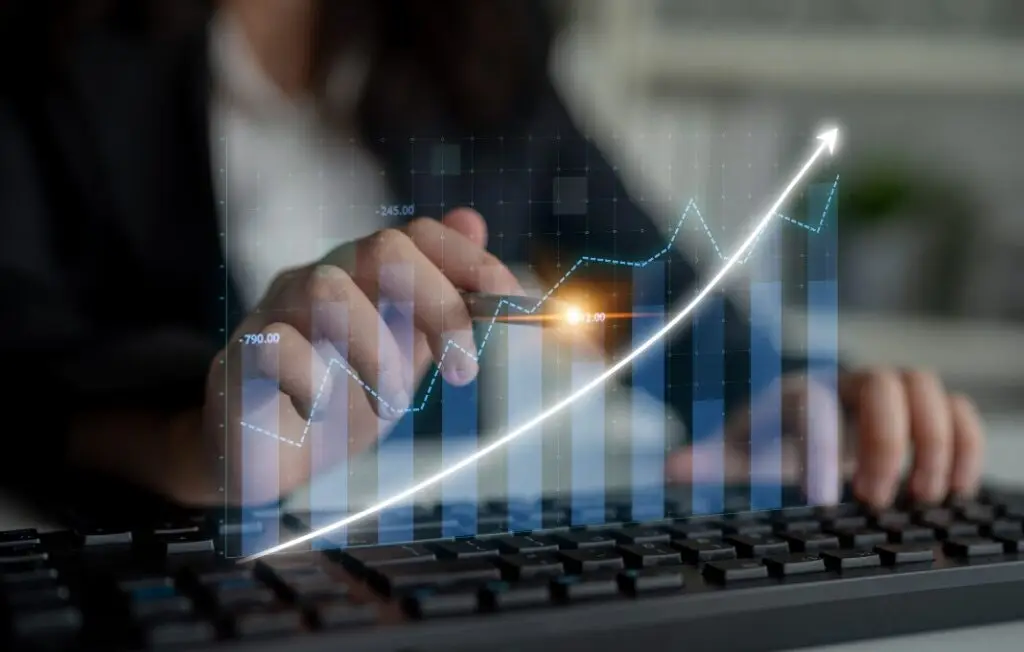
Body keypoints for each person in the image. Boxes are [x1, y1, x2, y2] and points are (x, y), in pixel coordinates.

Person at [0, 0, 983, 517]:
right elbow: (23, 359)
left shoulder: (479, 31)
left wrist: (791, 400)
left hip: (437, 581)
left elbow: (655, 288)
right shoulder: (44, 40)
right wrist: (190, 444)